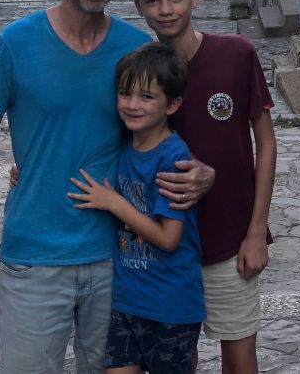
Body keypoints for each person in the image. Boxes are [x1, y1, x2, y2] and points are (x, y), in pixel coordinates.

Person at [0, 0, 213, 374]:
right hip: (34, 256)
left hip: (117, 262)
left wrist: (205, 172)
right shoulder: (17, 43)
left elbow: (173, 132)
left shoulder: (136, 51)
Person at [127, 0, 277, 374]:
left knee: (240, 357)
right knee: (175, 360)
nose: (165, 10)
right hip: (163, 248)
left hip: (229, 240)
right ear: (138, 5)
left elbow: (265, 143)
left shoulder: (236, 55)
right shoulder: (138, 78)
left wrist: (255, 231)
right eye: (153, 1)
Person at [68, 42, 205, 374]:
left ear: (172, 104)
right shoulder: (121, 147)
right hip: (125, 302)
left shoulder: (174, 159)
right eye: (125, 94)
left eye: (146, 97)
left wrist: (114, 202)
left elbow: (169, 238)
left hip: (171, 305)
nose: (131, 105)